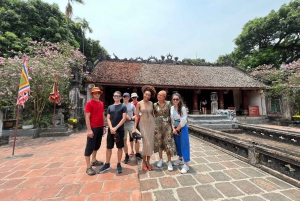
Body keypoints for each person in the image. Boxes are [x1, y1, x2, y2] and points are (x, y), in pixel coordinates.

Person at [98, 91, 127, 174]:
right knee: (109, 147)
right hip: (111, 130)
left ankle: (118, 164)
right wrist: (111, 128)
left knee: (120, 147)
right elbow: (108, 118)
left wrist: (116, 127)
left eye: (118, 96)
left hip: (120, 129)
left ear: (121, 97)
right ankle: (107, 164)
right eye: (115, 96)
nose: (116, 97)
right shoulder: (110, 107)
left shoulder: (123, 106)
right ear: (113, 97)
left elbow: (124, 118)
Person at [133, 85, 156, 171]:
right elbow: (136, 116)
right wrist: (134, 128)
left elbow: (153, 114)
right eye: (146, 94)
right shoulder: (139, 103)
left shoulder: (151, 103)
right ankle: (143, 162)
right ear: (143, 94)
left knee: (150, 143)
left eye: (149, 95)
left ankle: (148, 162)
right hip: (143, 124)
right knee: (145, 142)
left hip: (151, 124)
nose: (147, 96)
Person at [153, 90, 177, 171]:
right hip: (158, 127)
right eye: (158, 94)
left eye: (160, 95)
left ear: (164, 97)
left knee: (168, 143)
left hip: (167, 127)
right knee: (159, 142)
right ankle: (160, 159)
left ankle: (169, 161)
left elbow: (171, 116)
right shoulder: (154, 105)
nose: (158, 96)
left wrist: (173, 127)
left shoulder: (168, 104)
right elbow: (153, 115)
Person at [84, 87, 105, 176]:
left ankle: (94, 160)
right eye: (95, 93)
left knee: (97, 145)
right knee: (89, 146)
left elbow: (102, 115)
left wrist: (104, 126)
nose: (97, 94)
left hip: (100, 127)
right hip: (93, 127)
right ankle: (88, 167)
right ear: (92, 94)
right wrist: (89, 130)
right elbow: (87, 117)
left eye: (98, 93)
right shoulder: (89, 104)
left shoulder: (101, 103)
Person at [171, 93, 190, 174]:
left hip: (182, 128)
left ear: (179, 100)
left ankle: (186, 164)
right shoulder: (172, 108)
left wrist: (177, 129)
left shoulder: (182, 108)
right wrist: (173, 128)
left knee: (184, 144)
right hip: (175, 128)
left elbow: (184, 120)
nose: (175, 100)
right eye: (174, 99)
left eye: (177, 99)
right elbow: (171, 119)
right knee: (178, 144)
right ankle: (180, 158)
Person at [122, 92, 137, 164]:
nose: (126, 98)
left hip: (131, 124)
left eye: (127, 97)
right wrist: (124, 117)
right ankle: (126, 155)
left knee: (135, 138)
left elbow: (136, 114)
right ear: (123, 97)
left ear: (129, 98)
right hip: (123, 125)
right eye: (125, 97)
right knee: (124, 141)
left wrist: (131, 118)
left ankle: (135, 152)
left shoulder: (132, 105)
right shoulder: (121, 106)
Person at [131, 92, 143, 159]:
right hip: (132, 122)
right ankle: (133, 150)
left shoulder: (139, 104)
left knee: (138, 137)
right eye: (133, 97)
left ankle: (137, 151)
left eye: (135, 97)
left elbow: (141, 113)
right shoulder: (130, 104)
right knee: (132, 137)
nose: (134, 98)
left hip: (139, 121)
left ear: (137, 97)